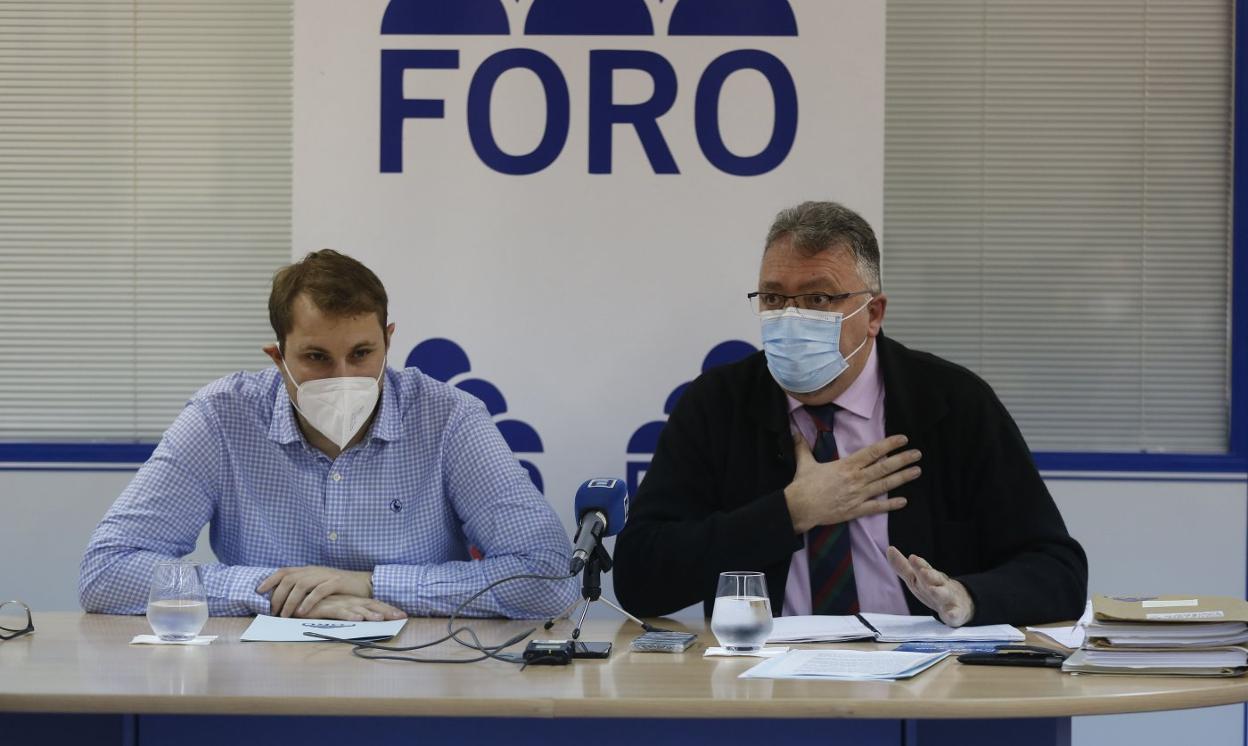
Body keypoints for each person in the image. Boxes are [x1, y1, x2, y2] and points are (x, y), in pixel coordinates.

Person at [613, 202, 1087, 626]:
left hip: (928, 685)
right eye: (774, 298)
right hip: (763, 684)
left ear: (874, 313)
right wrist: (791, 512)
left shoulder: (952, 404)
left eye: (818, 299)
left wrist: (968, 598)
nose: (791, 317)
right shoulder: (717, 405)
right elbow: (639, 578)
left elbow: (1057, 572)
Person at [80, 250, 578, 621]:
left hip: (418, 678)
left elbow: (548, 577)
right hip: (260, 685)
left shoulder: (449, 418)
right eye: (317, 357)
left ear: (389, 341)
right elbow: (106, 572)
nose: (344, 376)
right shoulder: (221, 417)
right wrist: (280, 593)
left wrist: (370, 584)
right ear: (278, 358)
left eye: (362, 354)